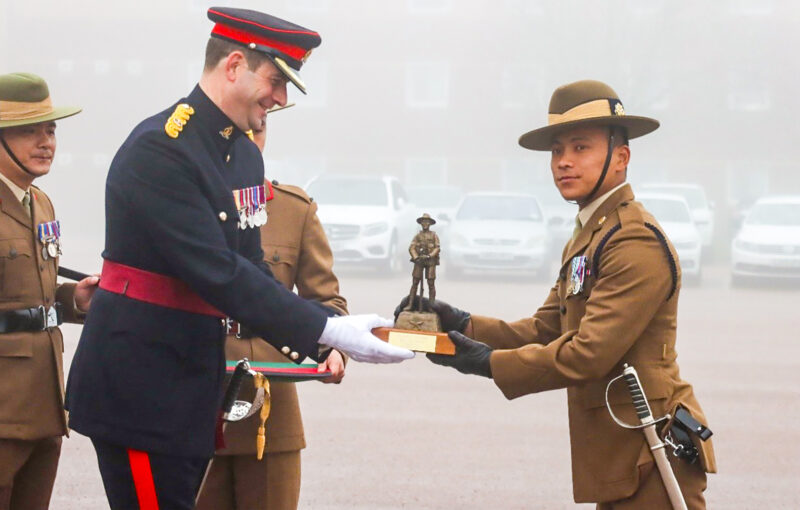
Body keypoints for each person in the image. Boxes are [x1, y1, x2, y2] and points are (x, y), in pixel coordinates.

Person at [64, 8, 412, 510]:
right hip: (140, 388)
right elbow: (218, 273)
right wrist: (329, 331)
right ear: (233, 66)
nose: (281, 98)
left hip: (193, 386)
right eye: (274, 80)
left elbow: (253, 270)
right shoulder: (160, 150)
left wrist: (323, 335)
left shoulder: (243, 154)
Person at [398, 80, 716, 509]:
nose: (564, 162)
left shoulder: (633, 240)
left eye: (580, 148)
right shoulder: (593, 234)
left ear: (621, 158)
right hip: (623, 452)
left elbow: (589, 353)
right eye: (556, 151)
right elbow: (546, 328)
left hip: (651, 449)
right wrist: (461, 322)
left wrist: (486, 363)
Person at [196, 122, 349, 510]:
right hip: (194, 396)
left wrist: (334, 347)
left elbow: (328, 302)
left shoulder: (293, 210)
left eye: (258, 130)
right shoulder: (185, 204)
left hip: (270, 408)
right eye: (235, 132)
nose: (249, 142)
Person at [0, 72, 98, 510]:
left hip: (43, 404)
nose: (46, 143)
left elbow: (31, 293)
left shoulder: (39, 202)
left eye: (51, 129)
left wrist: (74, 298)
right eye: (28, 131)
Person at [404, 213, 440, 310]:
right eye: (423, 221)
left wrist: (430, 255)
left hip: (430, 261)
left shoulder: (434, 235)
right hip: (419, 261)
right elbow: (411, 247)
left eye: (427, 222)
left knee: (431, 283)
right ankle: (410, 304)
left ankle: (431, 306)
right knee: (415, 282)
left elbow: (437, 248)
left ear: (430, 223)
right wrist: (416, 257)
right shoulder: (417, 236)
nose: (425, 223)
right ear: (421, 223)